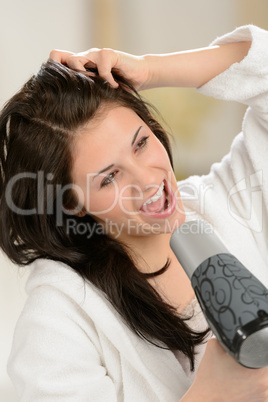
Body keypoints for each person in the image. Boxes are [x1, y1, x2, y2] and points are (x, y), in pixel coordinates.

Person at [1, 23, 268, 401]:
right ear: (71, 203)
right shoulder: (58, 322)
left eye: (141, 143)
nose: (147, 181)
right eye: (110, 177)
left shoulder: (228, 202)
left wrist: (151, 70)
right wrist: (209, 396)